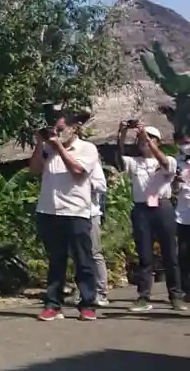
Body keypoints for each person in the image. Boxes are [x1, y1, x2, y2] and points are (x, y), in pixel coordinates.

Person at [29, 110, 101, 321]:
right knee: (56, 260)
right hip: (49, 211)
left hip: (76, 212)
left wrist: (58, 147)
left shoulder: (87, 148)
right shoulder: (47, 149)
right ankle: (53, 304)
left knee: (83, 260)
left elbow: (78, 171)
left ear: (74, 128)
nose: (56, 134)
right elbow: (33, 169)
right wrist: (39, 144)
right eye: (54, 130)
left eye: (60, 130)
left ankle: (87, 304)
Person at [115, 123, 183, 311]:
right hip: (142, 209)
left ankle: (175, 295)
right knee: (144, 255)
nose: (145, 141)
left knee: (170, 253)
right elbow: (119, 159)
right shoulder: (134, 162)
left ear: (158, 142)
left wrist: (149, 141)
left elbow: (165, 165)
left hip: (163, 207)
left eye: (150, 138)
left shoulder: (168, 159)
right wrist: (122, 134)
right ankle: (144, 297)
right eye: (142, 139)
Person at [88, 160, 110, 307]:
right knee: (79, 255)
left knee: (95, 252)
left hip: (90, 213)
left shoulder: (92, 162)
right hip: (70, 213)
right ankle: (85, 289)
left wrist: (83, 181)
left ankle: (101, 291)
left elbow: (102, 186)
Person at [175, 135, 190, 300]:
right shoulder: (177, 162)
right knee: (184, 253)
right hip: (183, 214)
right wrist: (177, 182)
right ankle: (187, 289)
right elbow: (175, 190)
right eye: (183, 143)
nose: (185, 146)